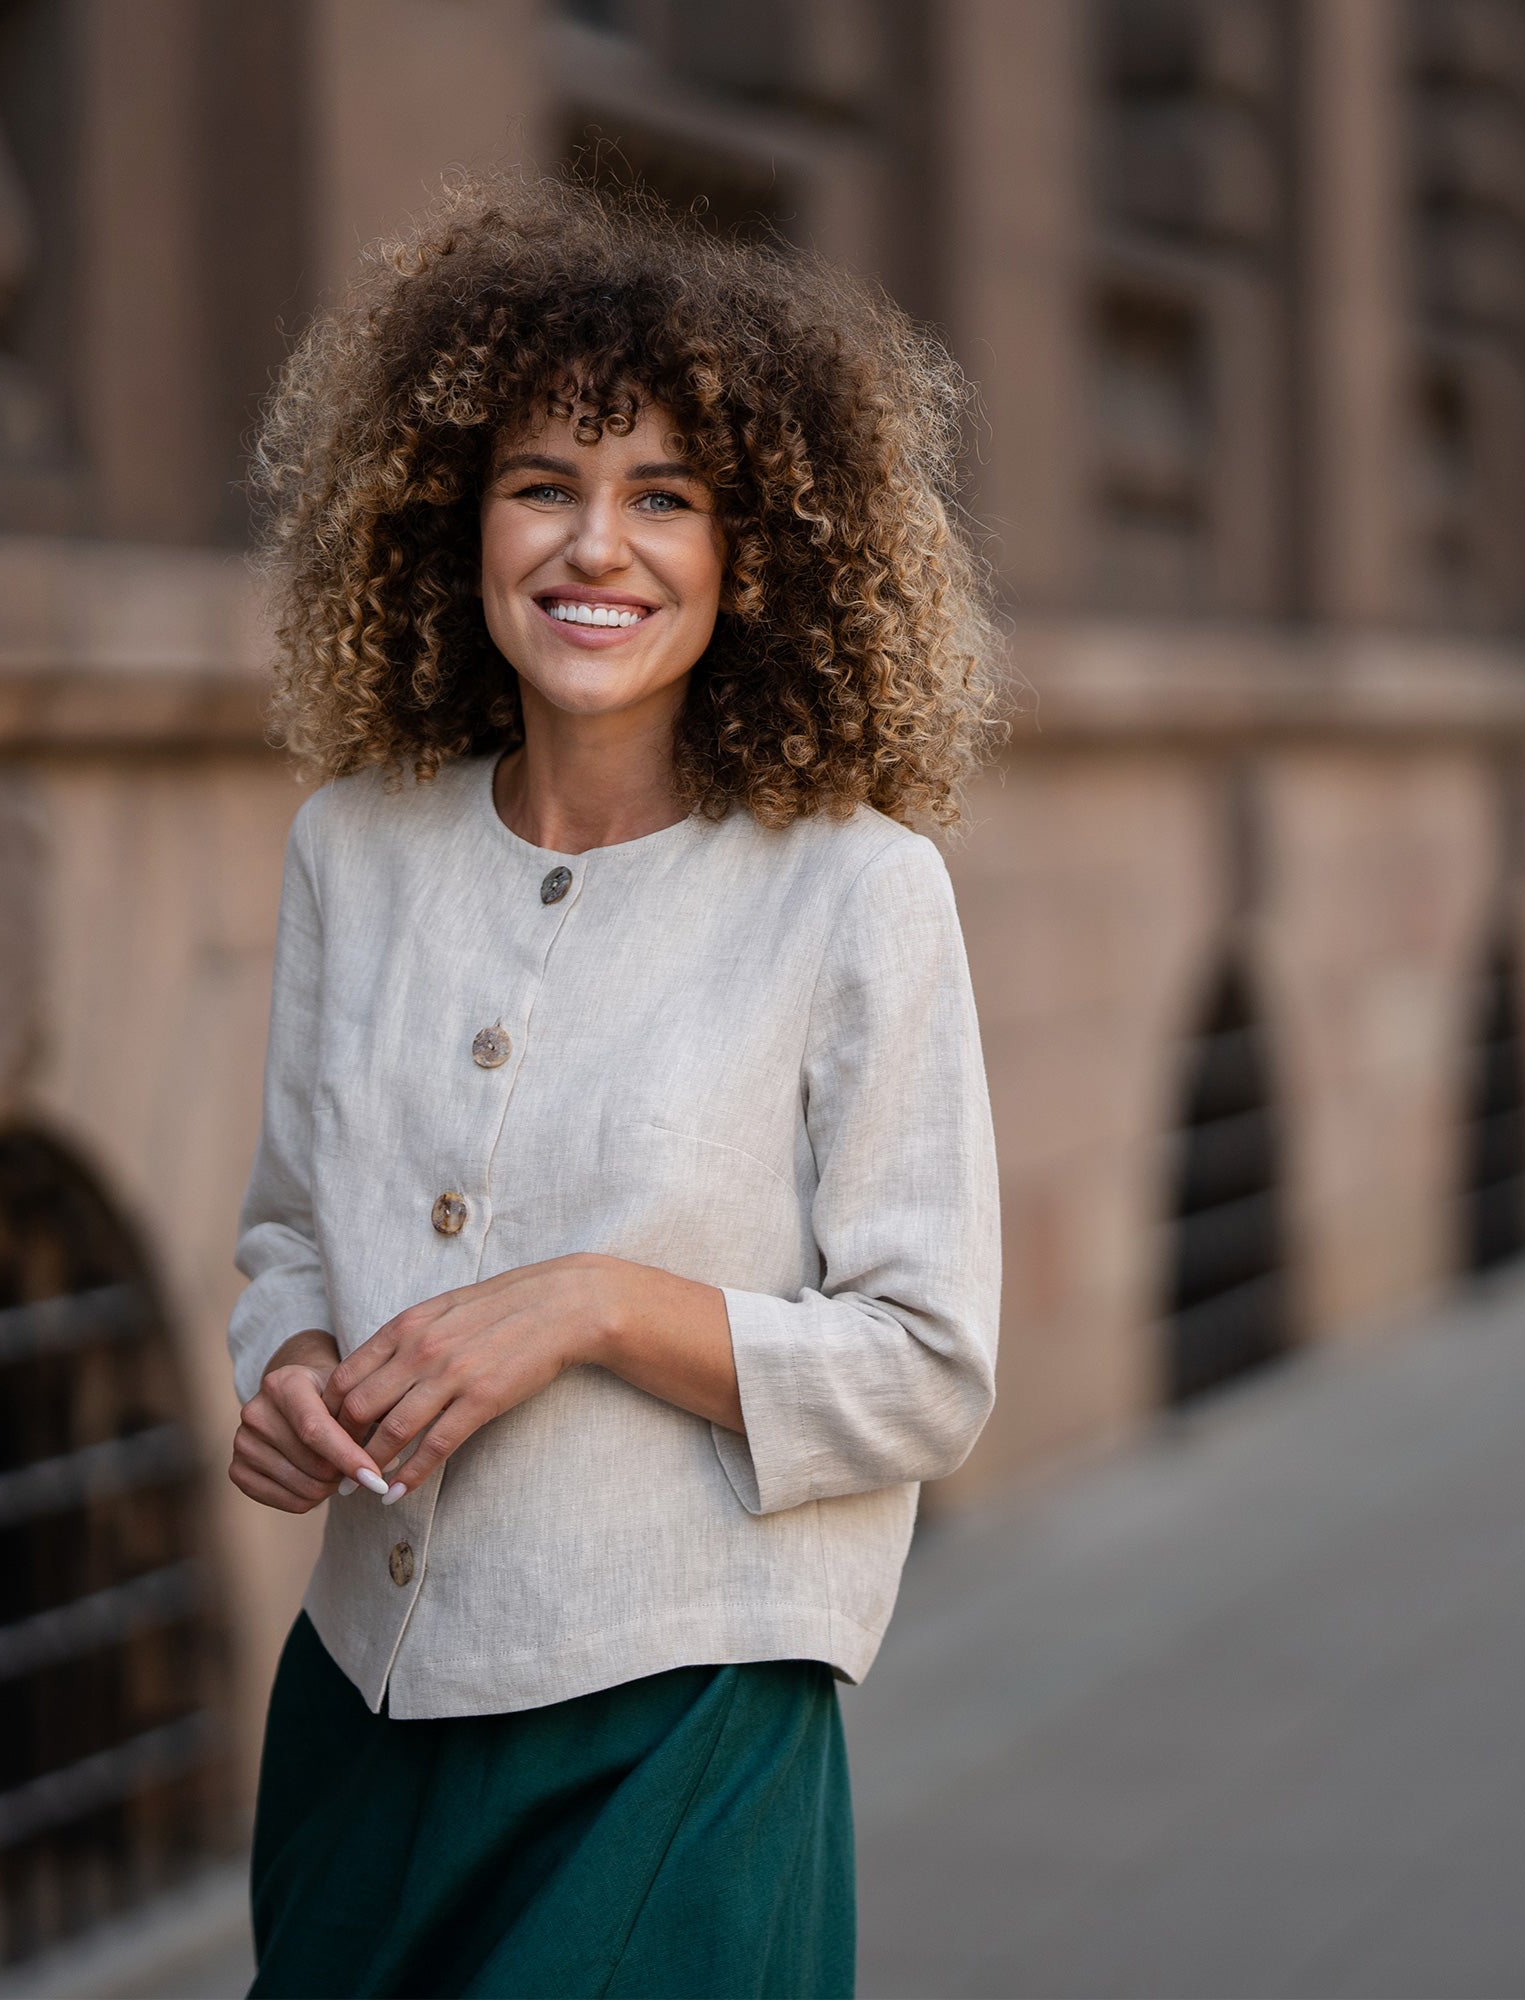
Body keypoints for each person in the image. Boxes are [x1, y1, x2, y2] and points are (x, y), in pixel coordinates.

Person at [227, 173, 1003, 1999]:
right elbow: (285, 1227)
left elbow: (931, 1364)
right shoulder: (353, 847)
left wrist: (585, 1307)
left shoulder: (856, 889)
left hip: (685, 1733)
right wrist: (284, 1367)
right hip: (366, 1707)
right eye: (541, 487)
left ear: (758, 552)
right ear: (454, 523)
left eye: (665, 497)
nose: (598, 548)